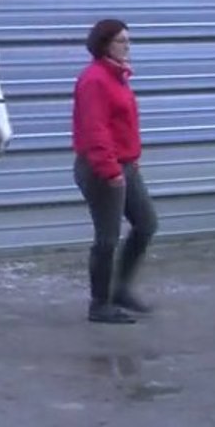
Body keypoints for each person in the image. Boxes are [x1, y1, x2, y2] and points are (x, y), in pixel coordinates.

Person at [72, 18, 158, 325]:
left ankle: (120, 289)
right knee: (107, 238)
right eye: (121, 41)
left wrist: (132, 159)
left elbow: (123, 125)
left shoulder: (117, 76)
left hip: (124, 165)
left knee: (146, 224)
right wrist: (110, 170)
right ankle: (99, 304)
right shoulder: (95, 79)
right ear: (105, 44)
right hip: (101, 168)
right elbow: (95, 131)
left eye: (128, 40)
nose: (127, 45)